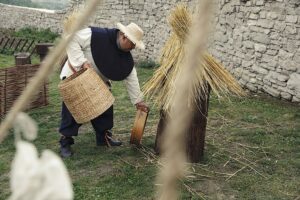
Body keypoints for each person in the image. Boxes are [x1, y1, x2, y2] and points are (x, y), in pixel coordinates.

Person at [59, 22, 149, 158]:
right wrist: (82, 62)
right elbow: (70, 39)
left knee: (105, 107)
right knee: (73, 110)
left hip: (98, 83)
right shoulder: (96, 35)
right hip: (77, 77)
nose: (133, 47)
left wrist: (138, 101)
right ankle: (65, 142)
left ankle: (103, 137)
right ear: (124, 37)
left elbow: (131, 77)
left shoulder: (126, 55)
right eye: (132, 44)